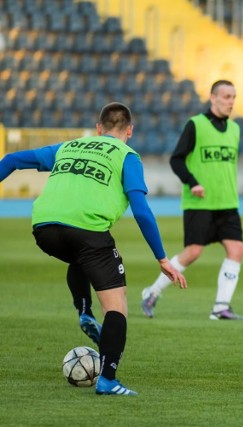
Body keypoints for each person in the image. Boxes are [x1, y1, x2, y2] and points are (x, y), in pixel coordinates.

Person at [0, 102, 187, 396]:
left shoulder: (71, 146)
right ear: (130, 131)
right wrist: (162, 257)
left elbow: (11, 160)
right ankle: (108, 380)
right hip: (87, 231)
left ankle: (84, 311)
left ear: (98, 128)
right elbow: (141, 210)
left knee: (79, 257)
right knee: (117, 306)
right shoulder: (128, 155)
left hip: (44, 228)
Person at [141, 79, 243, 320]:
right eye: (226, 96)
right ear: (213, 98)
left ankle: (221, 308)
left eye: (234, 97)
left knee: (237, 249)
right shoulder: (195, 125)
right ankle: (152, 292)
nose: (231, 101)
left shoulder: (235, 130)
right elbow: (176, 159)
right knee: (193, 252)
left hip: (228, 203)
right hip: (200, 203)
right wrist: (192, 182)